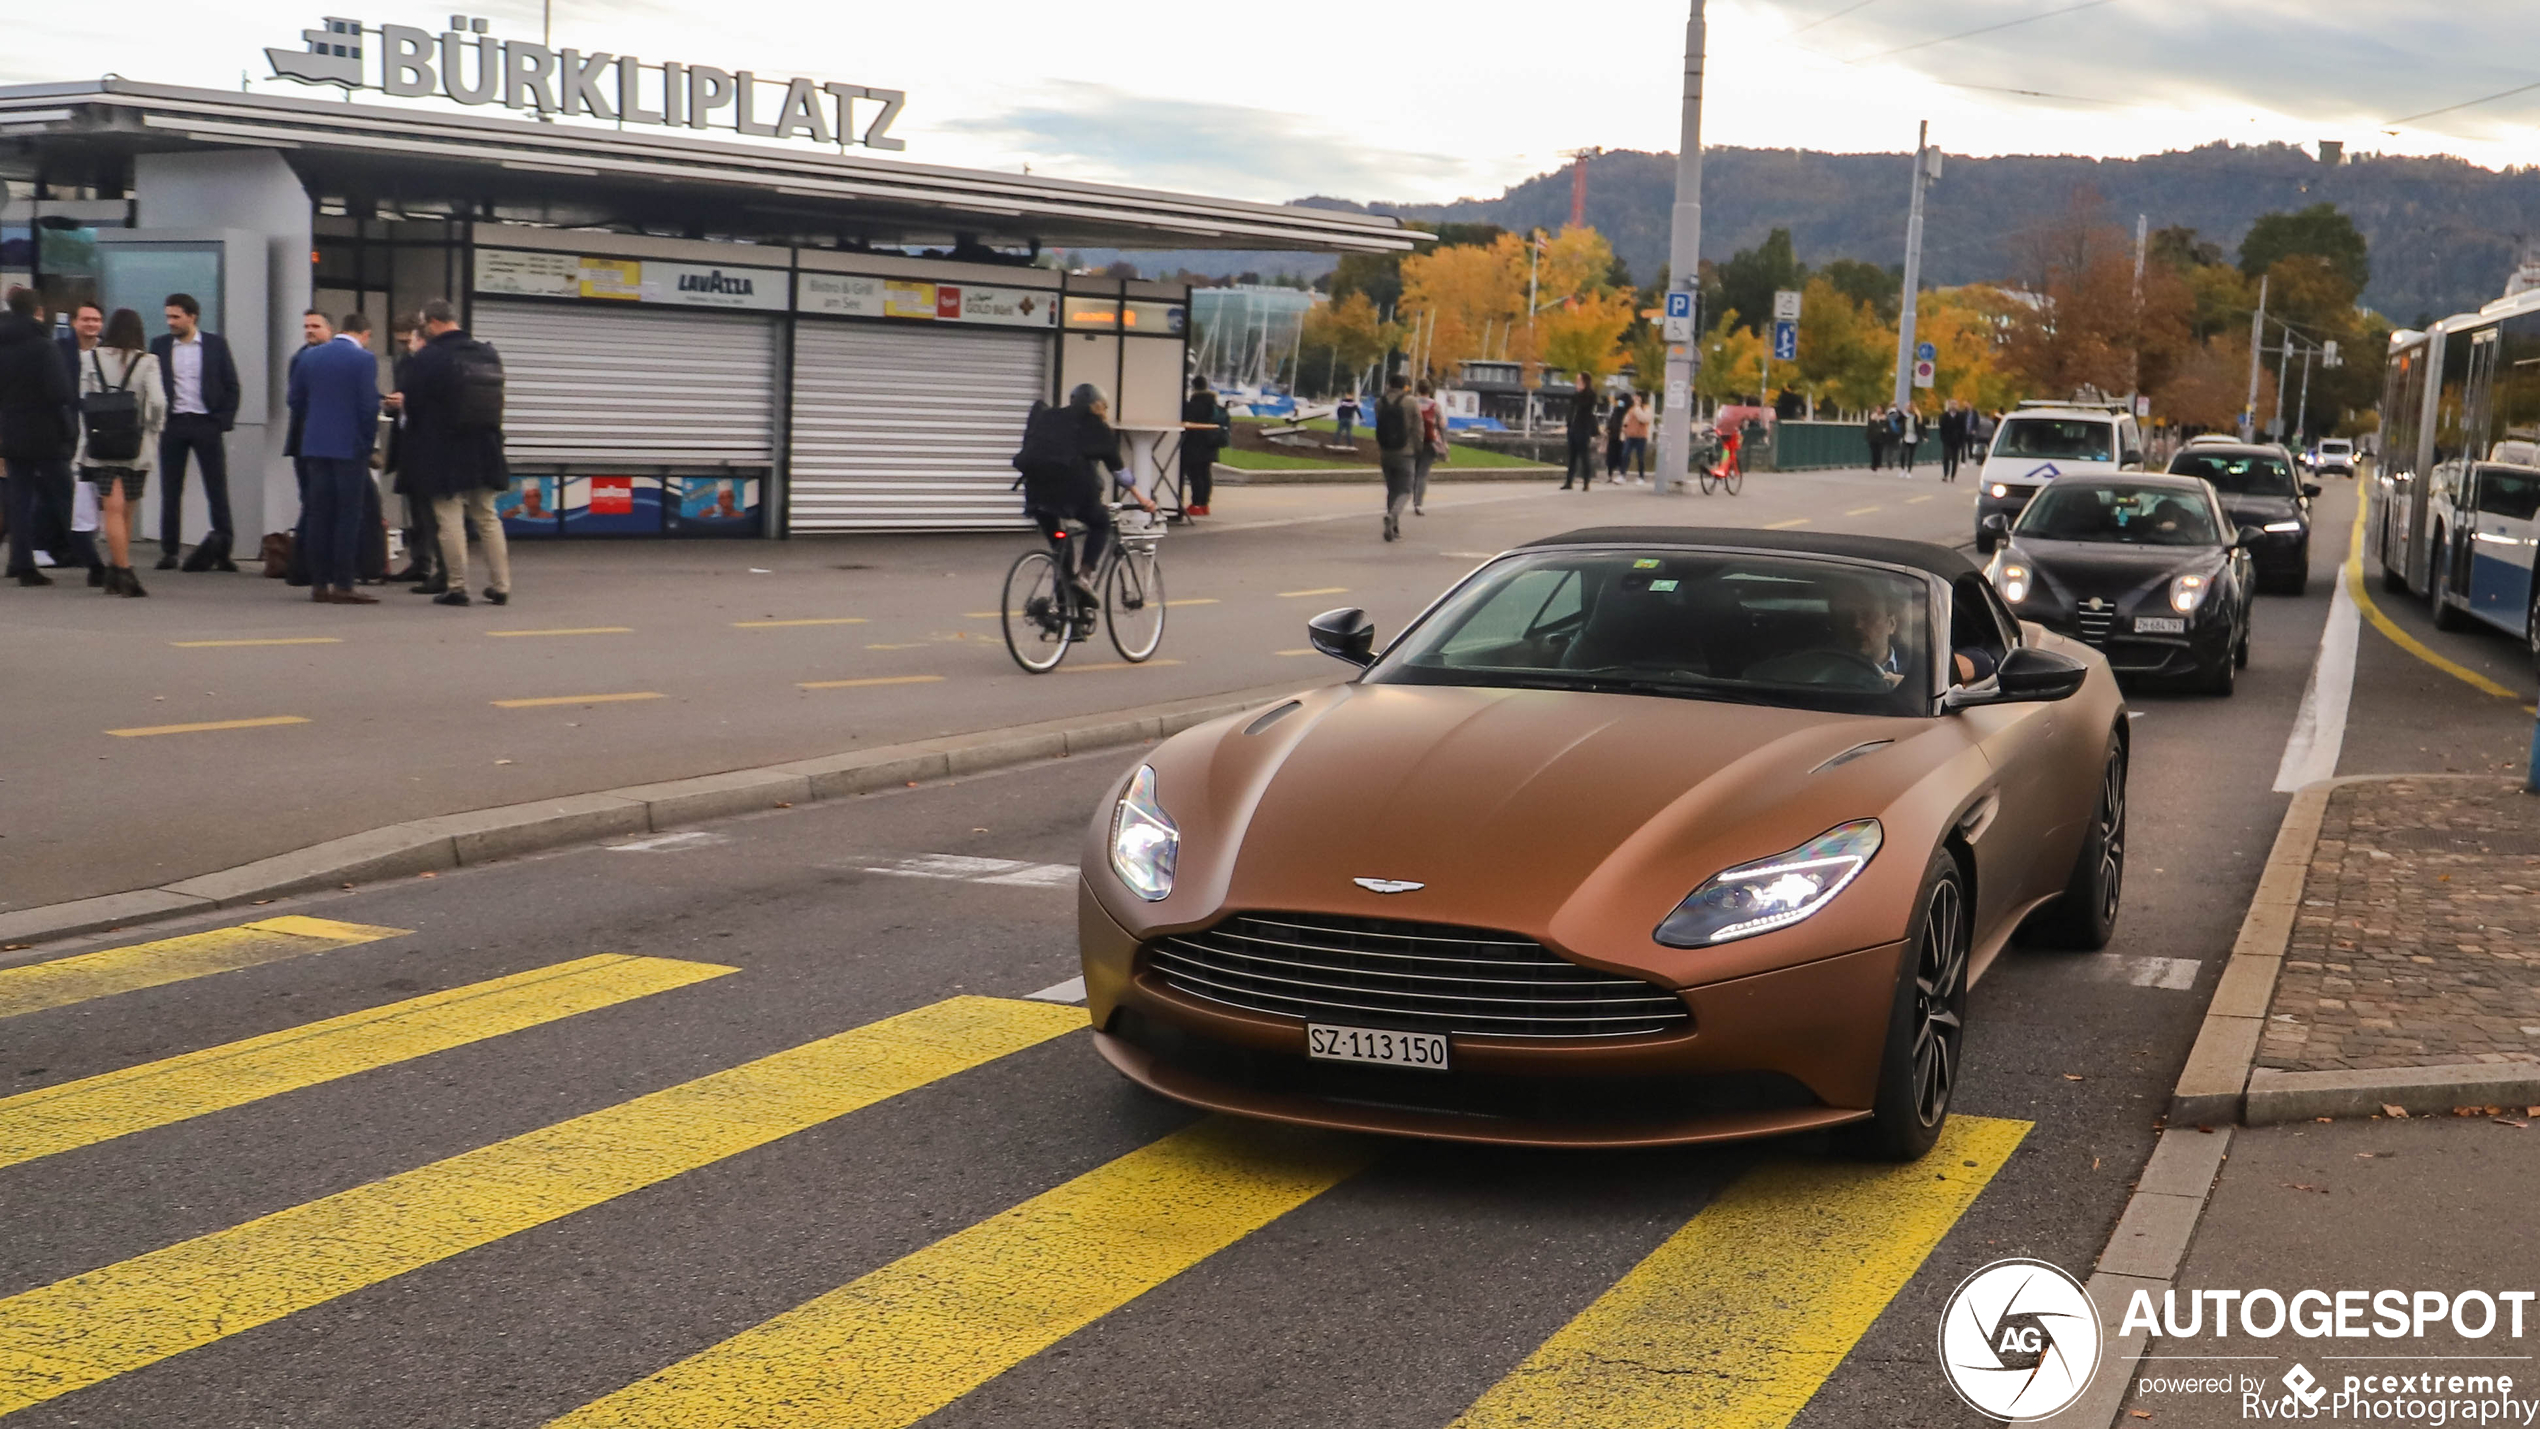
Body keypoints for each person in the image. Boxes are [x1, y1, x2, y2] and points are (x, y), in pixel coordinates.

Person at [397, 298, 511, 607]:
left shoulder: (429, 357)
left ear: (433, 323)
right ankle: (500, 585)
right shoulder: (487, 352)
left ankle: (457, 586)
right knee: (487, 516)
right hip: (484, 445)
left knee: (449, 518)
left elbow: (415, 405)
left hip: (443, 448)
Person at [1014, 382, 1155, 602]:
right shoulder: (1096, 427)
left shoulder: (1049, 417)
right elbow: (1118, 471)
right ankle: (1084, 577)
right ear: (1097, 406)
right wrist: (1142, 499)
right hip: (1071, 495)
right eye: (1105, 408)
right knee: (1100, 523)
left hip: (1037, 495)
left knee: (1061, 542)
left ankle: (1064, 605)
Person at [287, 309, 383, 605]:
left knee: (318, 513)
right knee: (347, 515)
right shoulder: (364, 360)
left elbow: (295, 400)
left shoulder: (308, 357)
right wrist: (367, 445)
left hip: (314, 445)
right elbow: (368, 407)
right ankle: (343, 582)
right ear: (364, 334)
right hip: (349, 448)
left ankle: (318, 583)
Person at [75, 308, 165, 596]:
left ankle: (117, 568)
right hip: (135, 444)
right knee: (127, 506)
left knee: (111, 508)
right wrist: (152, 427)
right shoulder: (148, 361)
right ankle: (123, 570)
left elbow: (84, 399)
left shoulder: (91, 358)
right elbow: (159, 402)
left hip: (101, 441)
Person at [0, 287, 86, 587]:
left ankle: (20, 562)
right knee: (68, 496)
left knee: (20, 497)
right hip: (45, 433)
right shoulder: (44, 346)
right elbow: (60, 392)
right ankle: (92, 559)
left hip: (10, 431)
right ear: (37, 310)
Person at [150, 293, 242, 572]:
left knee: (217, 488)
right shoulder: (160, 346)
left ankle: (223, 550)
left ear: (193, 316)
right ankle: (169, 550)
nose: (171, 322)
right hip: (174, 423)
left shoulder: (214, 345)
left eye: (176, 316)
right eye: (168, 316)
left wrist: (221, 421)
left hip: (206, 422)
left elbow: (231, 386)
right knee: (170, 489)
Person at [382, 316, 438, 584]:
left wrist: (409, 400)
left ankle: (440, 566)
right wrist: (392, 404)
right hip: (406, 439)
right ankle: (420, 561)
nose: (405, 346)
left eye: (409, 340)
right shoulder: (404, 362)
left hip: (428, 443)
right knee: (414, 506)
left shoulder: (435, 362)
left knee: (432, 509)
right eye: (401, 341)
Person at [1374, 370, 1421, 542]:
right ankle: (1392, 516)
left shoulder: (1380, 402)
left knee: (1392, 490)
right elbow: (1418, 429)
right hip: (1405, 452)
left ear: (1389, 385)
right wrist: (1418, 448)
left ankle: (1393, 528)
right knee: (1406, 490)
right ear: (1404, 387)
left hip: (1386, 452)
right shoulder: (1410, 402)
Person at [1178, 375, 1222, 517]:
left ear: (1194, 387)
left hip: (1194, 445)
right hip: (1211, 444)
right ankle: (1204, 504)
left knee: (1195, 475)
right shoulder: (1214, 405)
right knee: (1205, 474)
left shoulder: (1192, 405)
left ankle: (1196, 504)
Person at [1413, 377, 1445, 515]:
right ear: (1429, 390)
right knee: (1422, 473)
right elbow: (1442, 424)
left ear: (1418, 389)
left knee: (1412, 471)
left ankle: (1405, 495)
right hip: (1429, 441)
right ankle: (1418, 503)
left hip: (1412, 442)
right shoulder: (1435, 405)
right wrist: (1443, 441)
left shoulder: (1411, 403)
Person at [1561, 372, 1597, 491]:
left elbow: (1586, 407)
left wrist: (1581, 392)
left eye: (1579, 381)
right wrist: (1568, 422)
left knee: (1584, 456)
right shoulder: (1575, 395)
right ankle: (1568, 481)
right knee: (1572, 456)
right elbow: (1571, 409)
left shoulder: (1590, 395)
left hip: (1583, 429)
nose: (1577, 383)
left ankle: (1586, 482)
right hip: (1573, 428)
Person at [1621, 393, 1652, 481]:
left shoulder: (1646, 408)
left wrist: (1638, 408)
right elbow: (1626, 420)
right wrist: (1624, 428)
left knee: (1640, 457)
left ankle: (1641, 477)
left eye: (1637, 397)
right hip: (1630, 436)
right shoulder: (1631, 409)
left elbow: (1644, 419)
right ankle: (1622, 475)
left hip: (1641, 436)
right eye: (1634, 397)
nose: (1634, 399)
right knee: (1625, 454)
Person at [1602, 390, 1627, 483]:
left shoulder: (1620, 411)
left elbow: (1612, 421)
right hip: (1615, 437)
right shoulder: (1619, 411)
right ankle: (1612, 474)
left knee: (1616, 456)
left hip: (1618, 437)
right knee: (1614, 456)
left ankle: (1616, 475)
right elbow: (1611, 421)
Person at [1939, 400, 1966, 482]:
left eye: (1955, 404)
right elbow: (1942, 428)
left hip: (1956, 441)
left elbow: (1963, 429)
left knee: (1955, 459)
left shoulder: (1961, 416)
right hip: (1947, 440)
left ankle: (1953, 475)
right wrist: (1943, 438)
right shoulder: (1944, 416)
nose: (1953, 406)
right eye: (1952, 404)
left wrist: (1962, 441)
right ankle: (1945, 474)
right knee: (1946, 457)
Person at [1898, 404, 1923, 475]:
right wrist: (1902, 414)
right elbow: (1897, 420)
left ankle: (1909, 471)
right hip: (1906, 436)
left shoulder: (1917, 416)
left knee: (1911, 455)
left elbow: (1921, 426)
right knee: (1903, 453)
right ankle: (1902, 468)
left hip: (1914, 436)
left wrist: (1923, 436)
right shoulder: (1905, 416)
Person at [1865, 406, 1887, 471]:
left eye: (1880, 408)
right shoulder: (1872, 417)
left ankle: (1878, 464)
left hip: (1881, 437)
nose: (1878, 410)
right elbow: (1869, 427)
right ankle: (1873, 464)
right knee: (1873, 451)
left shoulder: (1884, 418)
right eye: (1877, 408)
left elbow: (1886, 426)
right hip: (1873, 437)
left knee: (1879, 451)